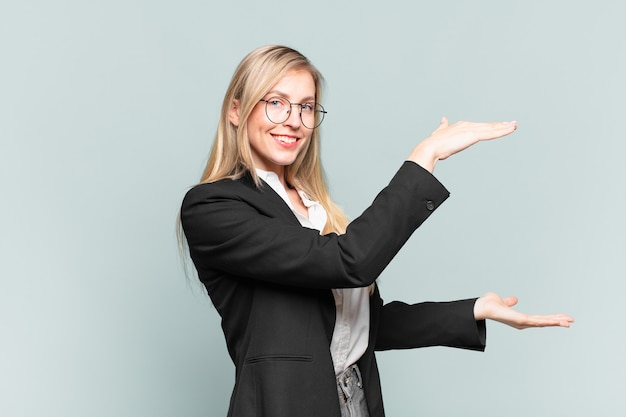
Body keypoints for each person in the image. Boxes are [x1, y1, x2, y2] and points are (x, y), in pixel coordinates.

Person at [179, 45, 573, 417]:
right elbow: (351, 262)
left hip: (356, 400)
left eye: (306, 107)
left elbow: (360, 326)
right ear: (236, 110)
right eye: (276, 103)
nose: (293, 121)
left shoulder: (318, 209)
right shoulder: (213, 208)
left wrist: (472, 310)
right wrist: (424, 159)